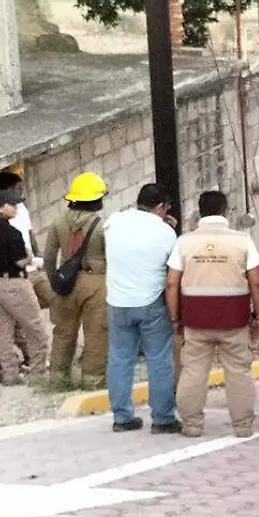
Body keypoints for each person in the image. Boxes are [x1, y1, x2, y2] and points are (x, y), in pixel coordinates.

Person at [167, 191, 259, 438]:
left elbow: (172, 283)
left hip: (196, 319)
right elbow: (256, 282)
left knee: (193, 371)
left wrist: (175, 317)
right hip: (234, 318)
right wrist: (258, 316)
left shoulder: (184, 241)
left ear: (200, 212)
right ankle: (242, 426)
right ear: (225, 211)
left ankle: (191, 425)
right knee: (239, 371)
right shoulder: (243, 241)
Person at [104, 184, 180, 434]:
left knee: (119, 358)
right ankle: (163, 417)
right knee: (159, 359)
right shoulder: (166, 232)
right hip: (151, 301)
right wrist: (167, 226)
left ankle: (122, 417)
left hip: (118, 302)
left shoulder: (114, 221)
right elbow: (172, 268)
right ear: (161, 207)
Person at [44, 172, 109, 390]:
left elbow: (49, 257)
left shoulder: (57, 222)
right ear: (96, 200)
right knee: (96, 334)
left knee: (63, 332)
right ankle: (92, 381)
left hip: (66, 282)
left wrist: (54, 281)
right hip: (96, 282)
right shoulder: (102, 226)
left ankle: (58, 379)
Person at [0, 190, 49, 385]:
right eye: (11, 204)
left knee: (3, 332)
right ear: (0, 208)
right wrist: (31, 258)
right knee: (35, 328)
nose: (16, 207)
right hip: (15, 284)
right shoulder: (12, 233)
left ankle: (10, 375)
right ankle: (38, 372)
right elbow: (20, 262)